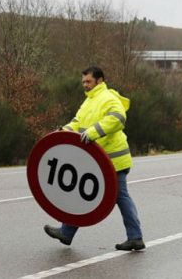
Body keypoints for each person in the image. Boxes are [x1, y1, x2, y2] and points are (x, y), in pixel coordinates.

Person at [43, 66, 145, 251]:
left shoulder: (108, 97)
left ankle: (135, 237)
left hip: (113, 160)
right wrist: (62, 132)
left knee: (120, 196)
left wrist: (93, 133)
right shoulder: (89, 101)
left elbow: (118, 118)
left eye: (88, 81)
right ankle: (66, 233)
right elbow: (77, 122)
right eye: (83, 82)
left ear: (100, 80)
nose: (85, 85)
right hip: (96, 161)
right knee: (81, 195)